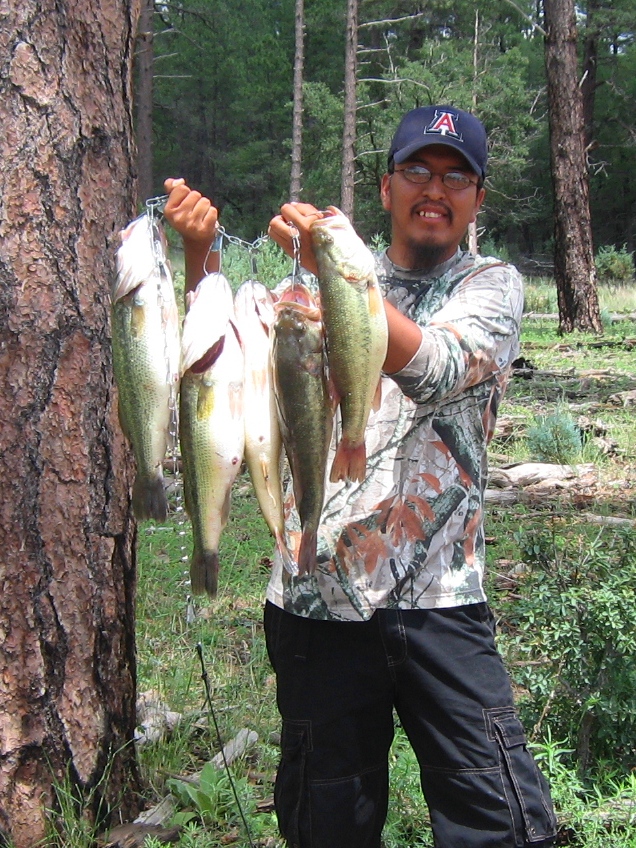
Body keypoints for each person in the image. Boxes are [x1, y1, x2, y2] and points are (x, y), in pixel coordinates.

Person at [163, 105, 557, 848]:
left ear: (478, 197)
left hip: (443, 604)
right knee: (326, 825)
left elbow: (437, 367)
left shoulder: (492, 286)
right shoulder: (313, 286)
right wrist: (200, 254)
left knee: (498, 821)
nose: (434, 188)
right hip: (318, 603)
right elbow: (217, 350)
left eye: (455, 176)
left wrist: (335, 266)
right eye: (417, 171)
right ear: (386, 188)